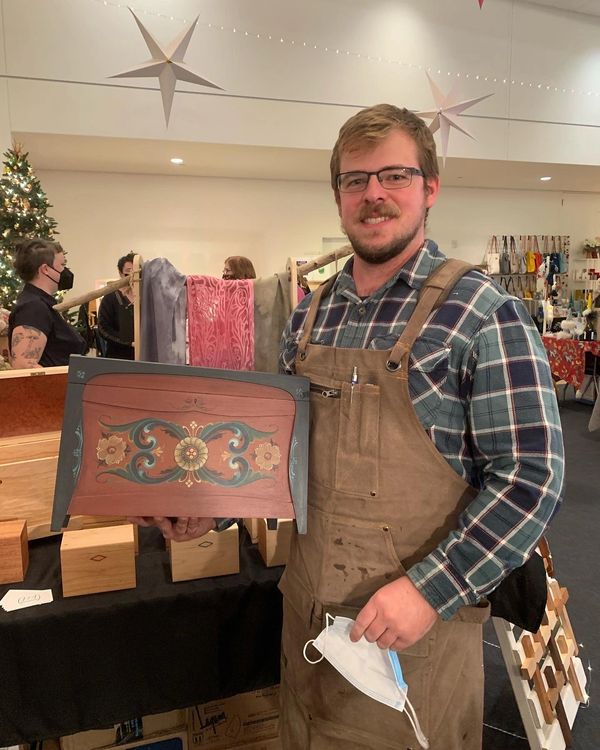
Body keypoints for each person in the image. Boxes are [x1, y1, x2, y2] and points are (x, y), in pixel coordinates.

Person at [131, 104, 564, 748]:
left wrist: (428, 591)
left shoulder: (482, 314)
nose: (374, 195)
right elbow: (282, 457)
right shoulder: (311, 317)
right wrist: (213, 509)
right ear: (337, 196)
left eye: (394, 176)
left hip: (413, 642)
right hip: (306, 623)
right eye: (355, 180)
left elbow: (532, 478)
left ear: (430, 188)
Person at [8, 238, 86, 368]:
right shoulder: (33, 307)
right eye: (62, 265)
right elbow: (24, 366)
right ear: (45, 269)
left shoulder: (41, 304)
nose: (65, 271)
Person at [97, 252, 136, 359]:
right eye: (128, 272)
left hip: (143, 357)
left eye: (136, 272)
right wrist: (128, 343)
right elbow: (103, 328)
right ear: (120, 273)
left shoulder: (145, 297)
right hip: (118, 357)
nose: (132, 276)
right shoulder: (111, 298)